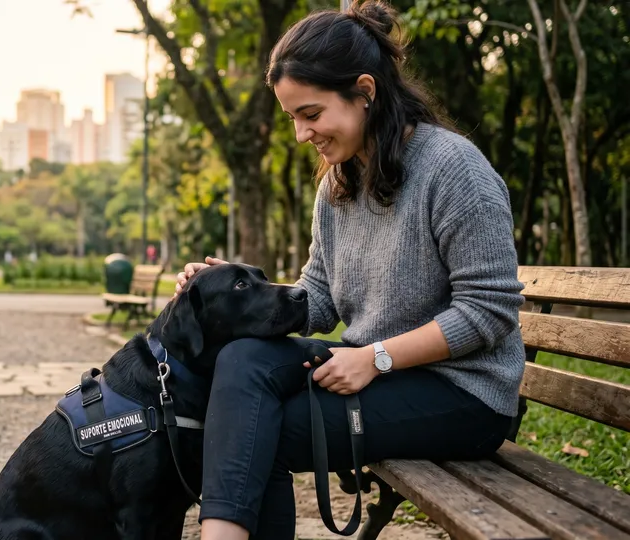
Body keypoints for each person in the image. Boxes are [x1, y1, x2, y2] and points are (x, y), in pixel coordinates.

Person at [173, 3, 525, 539]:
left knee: (258, 428)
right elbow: (319, 297)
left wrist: (376, 357)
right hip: (377, 372)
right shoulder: (338, 184)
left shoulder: (455, 170)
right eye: (293, 118)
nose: (301, 134)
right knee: (242, 360)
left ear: (364, 91)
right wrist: (235, 291)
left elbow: (489, 311)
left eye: (311, 114)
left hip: (464, 395)